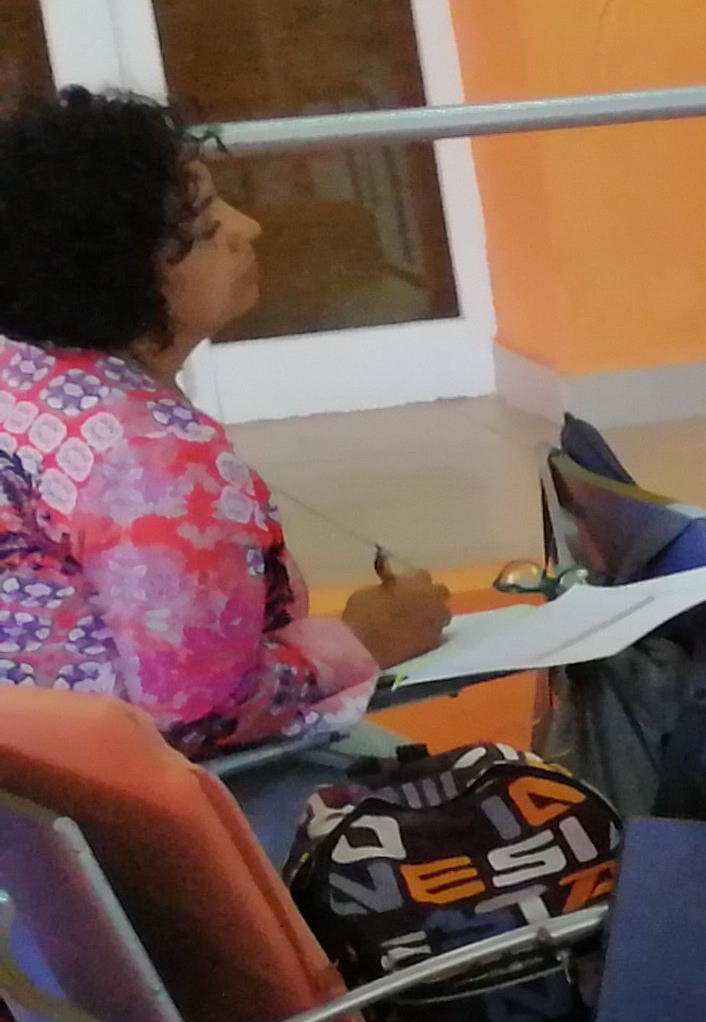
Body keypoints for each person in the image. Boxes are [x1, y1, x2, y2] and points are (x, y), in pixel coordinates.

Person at [0, 91, 448, 840]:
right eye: (208, 229)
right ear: (120, 275)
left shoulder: (21, 376)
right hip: (136, 827)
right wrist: (367, 640)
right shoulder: (151, 453)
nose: (249, 228)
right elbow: (195, 715)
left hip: (33, 815)